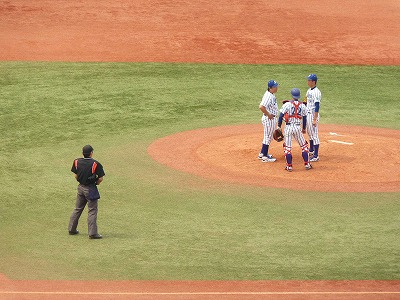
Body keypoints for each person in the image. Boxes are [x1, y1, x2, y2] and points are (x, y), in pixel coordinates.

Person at [68, 145, 105, 239]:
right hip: (91, 189)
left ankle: (71, 229)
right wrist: (95, 182)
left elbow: (76, 176)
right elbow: (100, 179)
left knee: (78, 208)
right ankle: (92, 233)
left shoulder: (76, 161)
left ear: (83, 153)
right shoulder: (95, 164)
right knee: (92, 210)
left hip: (80, 187)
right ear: (91, 153)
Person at [277, 88, 312, 172]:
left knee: (287, 148)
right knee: (304, 146)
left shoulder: (287, 104)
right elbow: (304, 118)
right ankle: (307, 164)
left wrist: (279, 126)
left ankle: (289, 166)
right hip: (297, 127)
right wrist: (303, 128)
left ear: (292, 95)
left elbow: (281, 115)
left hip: (288, 128)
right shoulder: (303, 105)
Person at [258, 79, 279, 162]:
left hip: (271, 119)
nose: (277, 88)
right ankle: (265, 157)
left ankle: (262, 153)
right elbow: (261, 106)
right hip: (269, 119)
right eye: (275, 86)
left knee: (268, 137)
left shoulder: (271, 94)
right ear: (271, 88)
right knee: (268, 137)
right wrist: (268, 114)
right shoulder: (268, 96)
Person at [305, 73, 322, 162]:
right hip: (308, 114)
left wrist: (315, 118)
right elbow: (305, 102)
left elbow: (317, 106)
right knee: (310, 132)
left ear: (313, 82)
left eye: (309, 80)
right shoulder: (309, 90)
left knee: (314, 135)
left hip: (313, 115)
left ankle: (316, 155)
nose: (307, 81)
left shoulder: (317, 92)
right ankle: (311, 150)